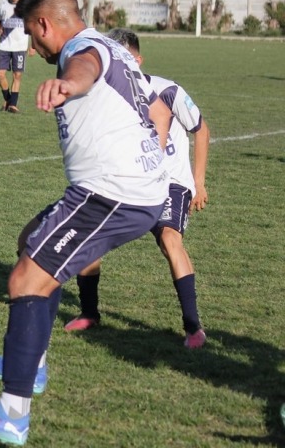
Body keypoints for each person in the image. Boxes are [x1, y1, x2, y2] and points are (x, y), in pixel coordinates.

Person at [0, 0, 171, 446]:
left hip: (112, 193)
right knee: (32, 242)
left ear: (45, 23)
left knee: (26, 280)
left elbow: (86, 68)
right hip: (127, 189)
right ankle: (33, 363)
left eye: (32, 33)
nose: (33, 45)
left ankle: (12, 414)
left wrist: (69, 82)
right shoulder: (114, 46)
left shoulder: (83, 49)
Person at [63, 28, 210, 350]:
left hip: (170, 180)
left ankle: (193, 326)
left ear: (137, 59)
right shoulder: (108, 94)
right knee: (91, 239)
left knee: (170, 240)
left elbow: (201, 129)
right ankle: (89, 313)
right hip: (127, 179)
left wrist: (198, 182)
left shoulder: (167, 90)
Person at [0, 0, 34, 113]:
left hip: (20, 47)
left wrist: (32, 46)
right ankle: (8, 99)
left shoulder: (27, 8)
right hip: (4, 45)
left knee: (17, 75)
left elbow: (32, 27)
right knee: (0, 74)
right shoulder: (3, 5)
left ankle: (13, 105)